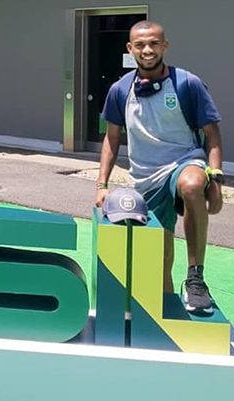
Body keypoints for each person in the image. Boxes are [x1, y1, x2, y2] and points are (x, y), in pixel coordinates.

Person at [94, 20, 224, 314]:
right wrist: (101, 185)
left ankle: (195, 279)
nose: (147, 50)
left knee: (191, 184)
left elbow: (212, 133)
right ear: (130, 49)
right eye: (140, 45)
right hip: (145, 179)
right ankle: (165, 316)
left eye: (154, 43)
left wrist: (214, 180)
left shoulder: (187, 83)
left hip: (184, 162)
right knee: (160, 261)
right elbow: (111, 140)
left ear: (165, 45)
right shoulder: (120, 90)